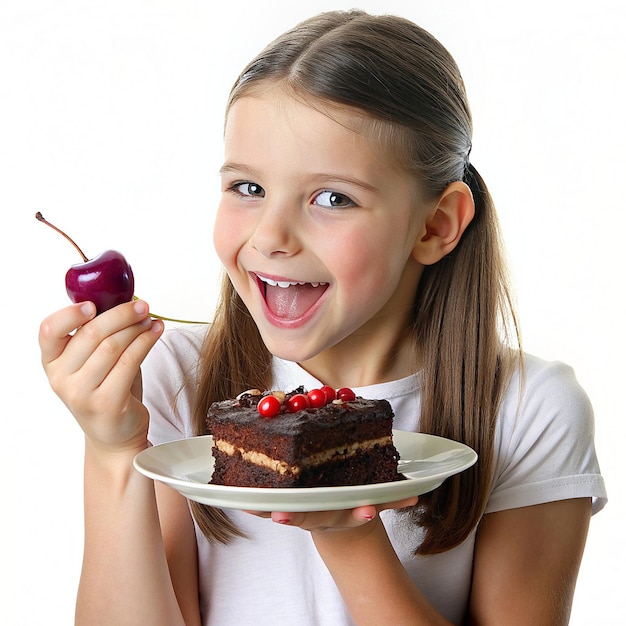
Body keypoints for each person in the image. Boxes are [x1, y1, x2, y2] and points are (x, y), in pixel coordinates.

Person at [38, 9, 606, 625]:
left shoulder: (527, 408)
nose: (270, 235)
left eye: (332, 198)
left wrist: (348, 529)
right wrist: (115, 448)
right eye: (247, 188)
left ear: (436, 225)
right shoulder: (175, 377)